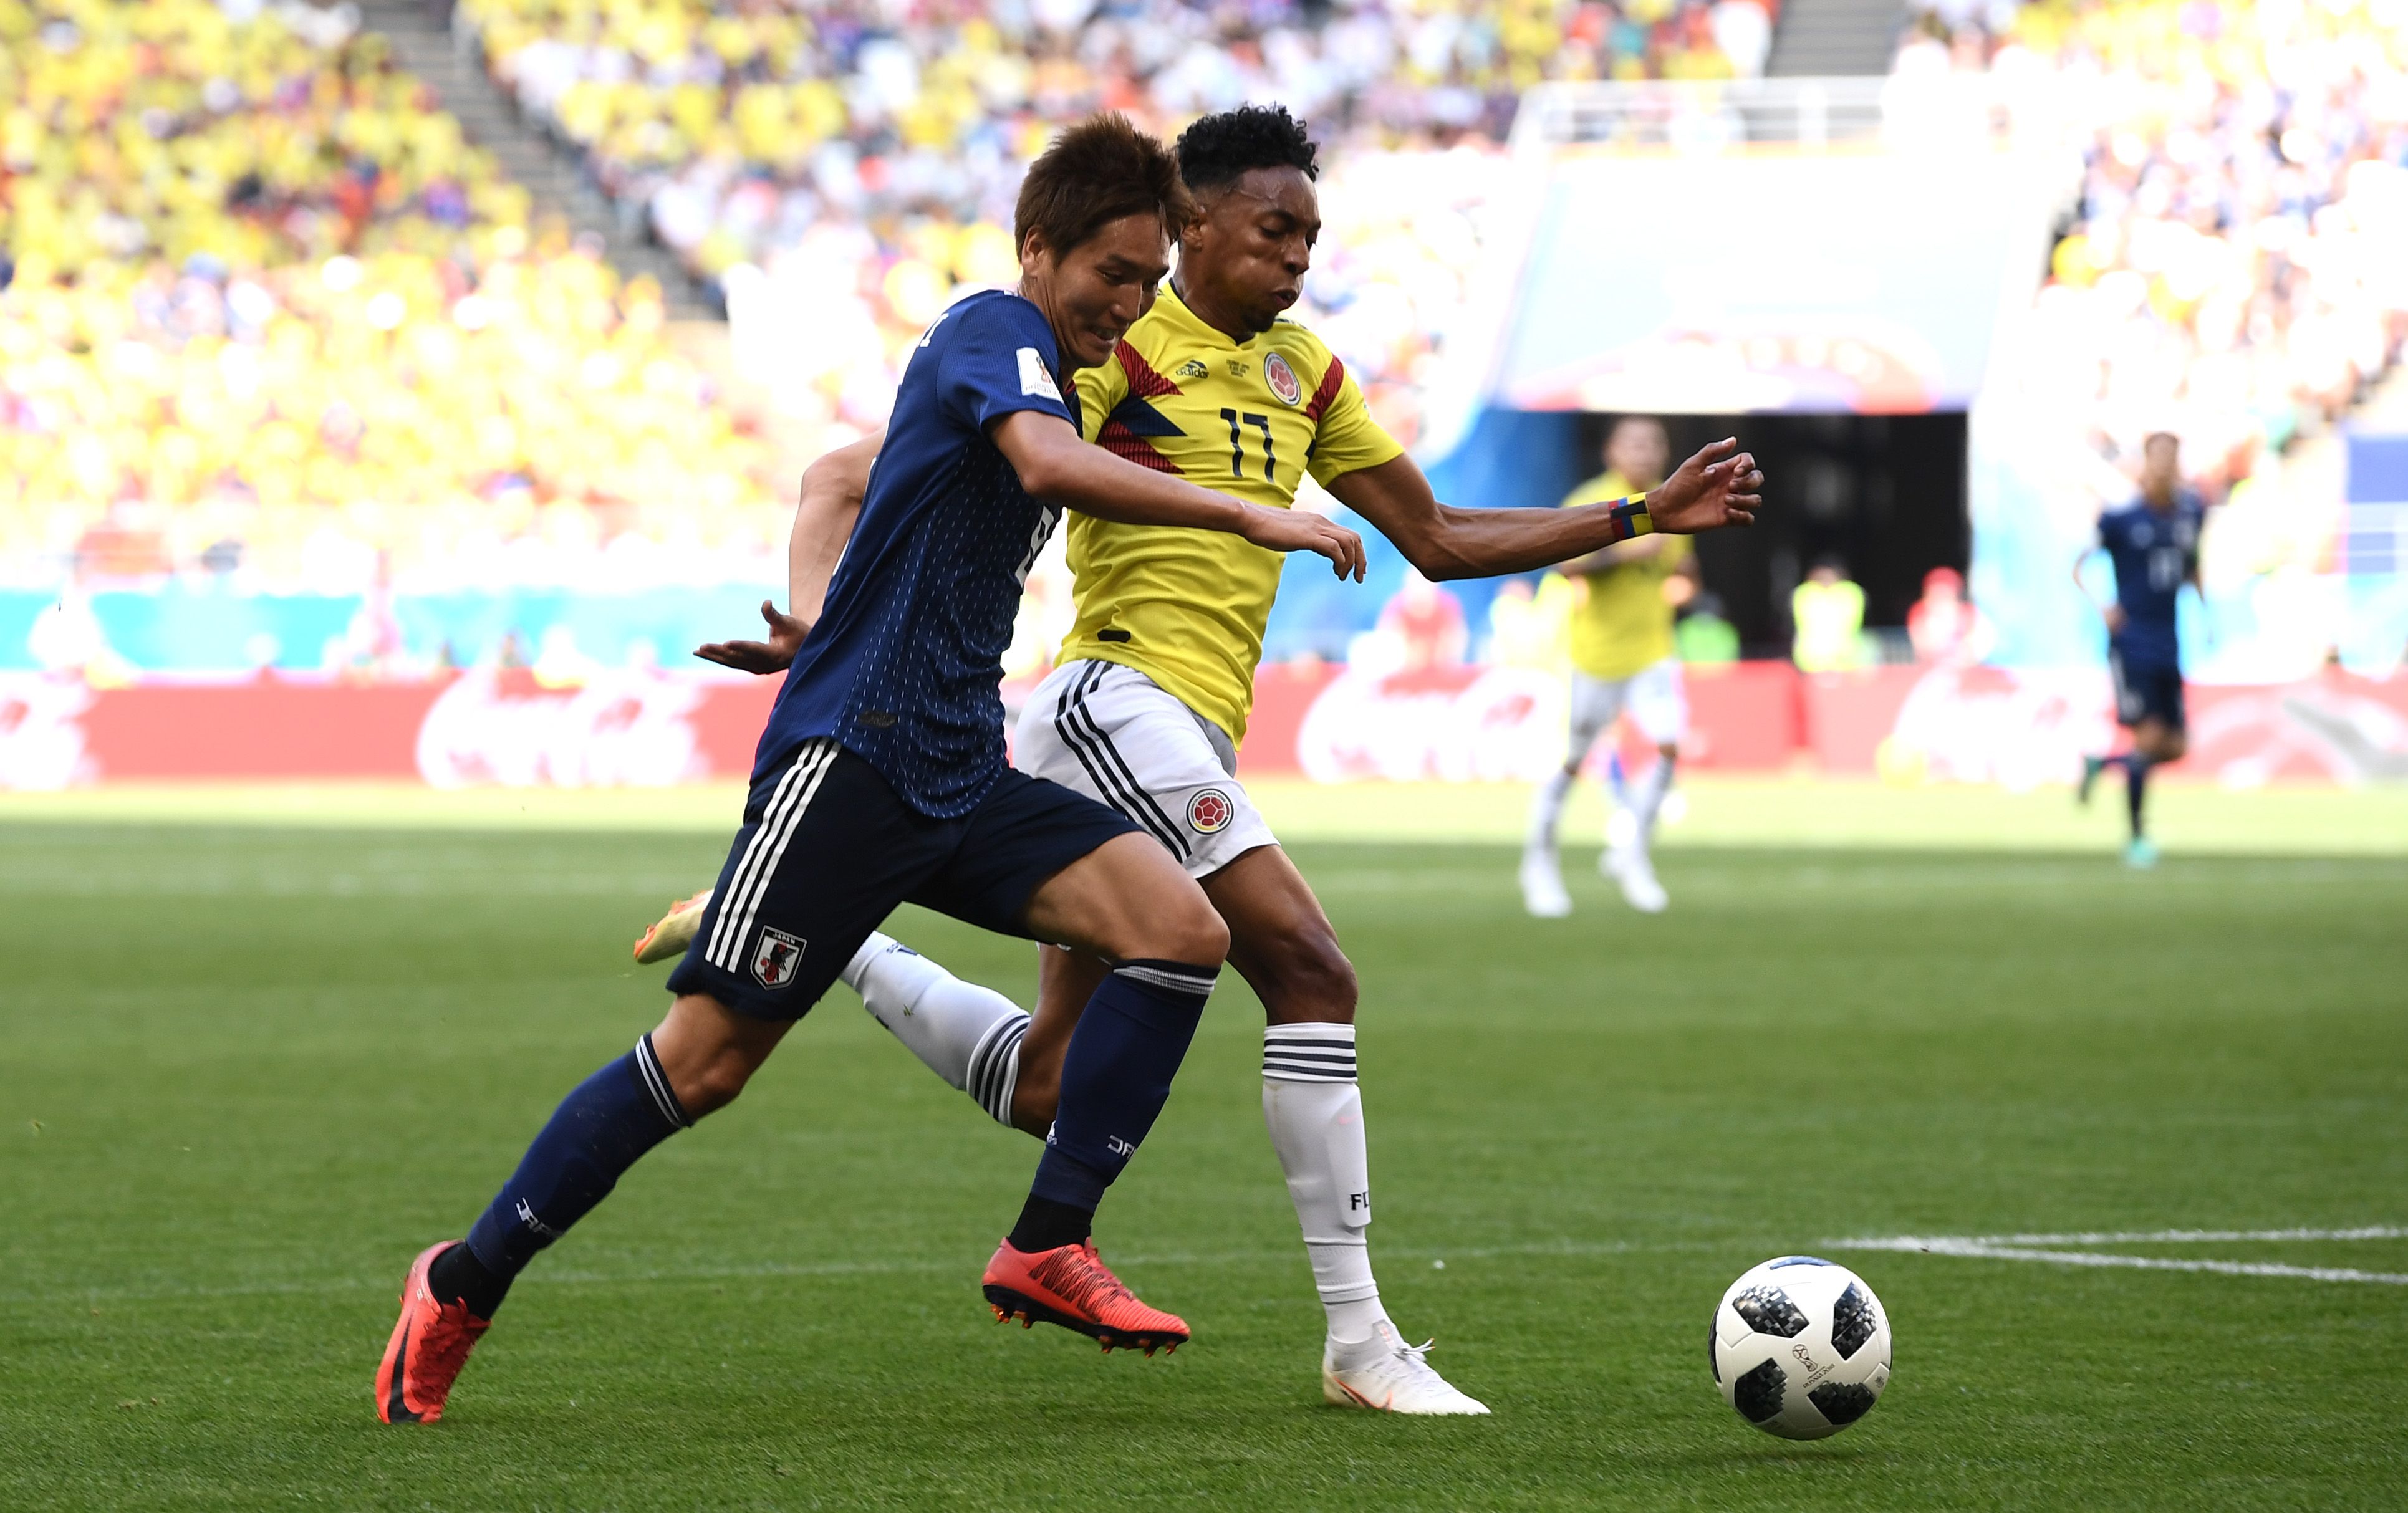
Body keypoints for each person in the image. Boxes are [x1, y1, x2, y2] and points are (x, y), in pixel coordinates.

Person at [640, 105, 1764, 1415]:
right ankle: (1360, 1341)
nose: (1296, 255)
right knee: (1308, 965)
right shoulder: (1111, 348)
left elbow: (1442, 537)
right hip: (1111, 701)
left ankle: (845, 943)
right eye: (1272, 228)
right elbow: (846, 478)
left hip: (1176, 733)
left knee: (1047, 1085)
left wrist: (1635, 514)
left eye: (1310, 236)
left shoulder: (1306, 374)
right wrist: (827, 623)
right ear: (1194, 224)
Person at [374, 115, 1374, 1424]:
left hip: (959, 762)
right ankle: (461, 1280)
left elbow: (838, 475)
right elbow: (1037, 461)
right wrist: (1246, 510)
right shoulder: (988, 331)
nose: (1128, 304)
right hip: (850, 763)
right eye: (1108, 275)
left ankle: (1046, 1241)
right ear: (1037, 249)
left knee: (1179, 930)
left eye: (1144, 280)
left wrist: (811, 613)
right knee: (705, 1064)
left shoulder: (1069, 375)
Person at [1520, 416, 1699, 917]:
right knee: (1573, 763)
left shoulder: (1671, 501)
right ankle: (1538, 862)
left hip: (1652, 651)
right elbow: (1563, 563)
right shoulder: (1592, 500)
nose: (1644, 451)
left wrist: (1682, 586)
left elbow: (1683, 572)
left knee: (1669, 744)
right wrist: (1626, 553)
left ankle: (1633, 855)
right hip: (1596, 656)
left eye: (1653, 443)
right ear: (1611, 451)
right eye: (1633, 443)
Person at [2075, 431, 2205, 868]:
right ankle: (2136, 838)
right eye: (2158, 457)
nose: (2165, 465)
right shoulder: (2121, 519)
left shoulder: (2191, 513)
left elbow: (2192, 565)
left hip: (2169, 641)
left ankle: (2103, 764)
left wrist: (2204, 610)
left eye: (2172, 456)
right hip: (2132, 641)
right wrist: (2104, 607)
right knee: (2148, 738)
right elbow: (2079, 567)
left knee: (2175, 747)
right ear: (2145, 464)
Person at [1791, 557, 1866, 673]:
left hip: (1845, 658)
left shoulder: (1850, 593)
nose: (1825, 578)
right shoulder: (1805, 594)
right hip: (1811, 659)